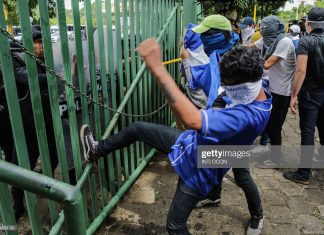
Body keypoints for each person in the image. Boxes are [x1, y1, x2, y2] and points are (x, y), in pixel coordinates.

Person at [80, 43, 272, 235]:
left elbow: (192, 120)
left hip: (202, 167)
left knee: (174, 226)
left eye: (228, 86)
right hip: (190, 143)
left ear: (243, 87)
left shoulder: (249, 116)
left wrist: (157, 69)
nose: (223, 88)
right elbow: (220, 101)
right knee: (138, 129)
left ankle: (254, 213)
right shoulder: (256, 89)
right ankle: (96, 150)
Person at [0, 25, 60, 220]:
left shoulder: (44, 60)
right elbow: (24, 77)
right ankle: (17, 204)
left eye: (44, 42)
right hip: (25, 125)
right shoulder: (16, 58)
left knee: (52, 155)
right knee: (20, 166)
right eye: (38, 42)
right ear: (28, 43)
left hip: (46, 121)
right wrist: (51, 78)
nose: (42, 46)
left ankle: (42, 185)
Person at [284, 7, 324, 184]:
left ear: (309, 23)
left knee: (307, 133)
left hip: (310, 94)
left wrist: (293, 95)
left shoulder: (306, 41)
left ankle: (303, 174)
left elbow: (300, 71)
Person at [249, 16, 296, 167]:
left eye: (264, 28)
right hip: (273, 89)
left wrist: (245, 63)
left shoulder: (284, 41)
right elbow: (250, 46)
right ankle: (271, 154)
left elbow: (268, 64)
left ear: (271, 29)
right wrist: (234, 48)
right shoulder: (268, 40)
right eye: (260, 27)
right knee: (269, 124)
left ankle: (276, 160)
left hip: (283, 91)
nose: (261, 30)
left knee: (275, 126)